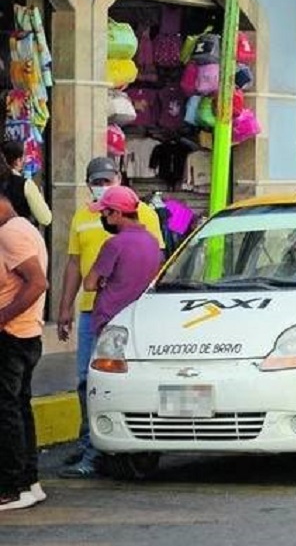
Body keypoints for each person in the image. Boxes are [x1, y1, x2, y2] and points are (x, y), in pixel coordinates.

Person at [56, 157, 164, 479]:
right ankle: (90, 441)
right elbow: (73, 265)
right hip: (93, 312)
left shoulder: (142, 218)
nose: (101, 187)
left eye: (107, 181)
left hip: (124, 315)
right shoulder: (82, 216)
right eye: (96, 182)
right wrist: (65, 307)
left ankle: (99, 449)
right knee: (85, 381)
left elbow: (152, 265)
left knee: (105, 382)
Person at [0, 192, 48, 510]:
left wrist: (2, 317)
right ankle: (29, 482)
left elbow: (38, 282)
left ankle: (12, 487)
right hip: (25, 335)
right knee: (18, 408)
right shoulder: (24, 227)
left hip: (12, 337)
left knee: (7, 413)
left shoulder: (10, 233)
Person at [85, 186, 163, 337]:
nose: (103, 218)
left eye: (104, 213)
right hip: (139, 318)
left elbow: (89, 284)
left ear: (117, 213)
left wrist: (103, 282)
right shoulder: (153, 242)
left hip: (110, 319)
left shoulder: (114, 244)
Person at [0, 141, 51, 227]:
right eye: (24, 156)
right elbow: (45, 219)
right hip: (19, 232)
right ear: (18, 161)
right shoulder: (26, 185)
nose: (26, 160)